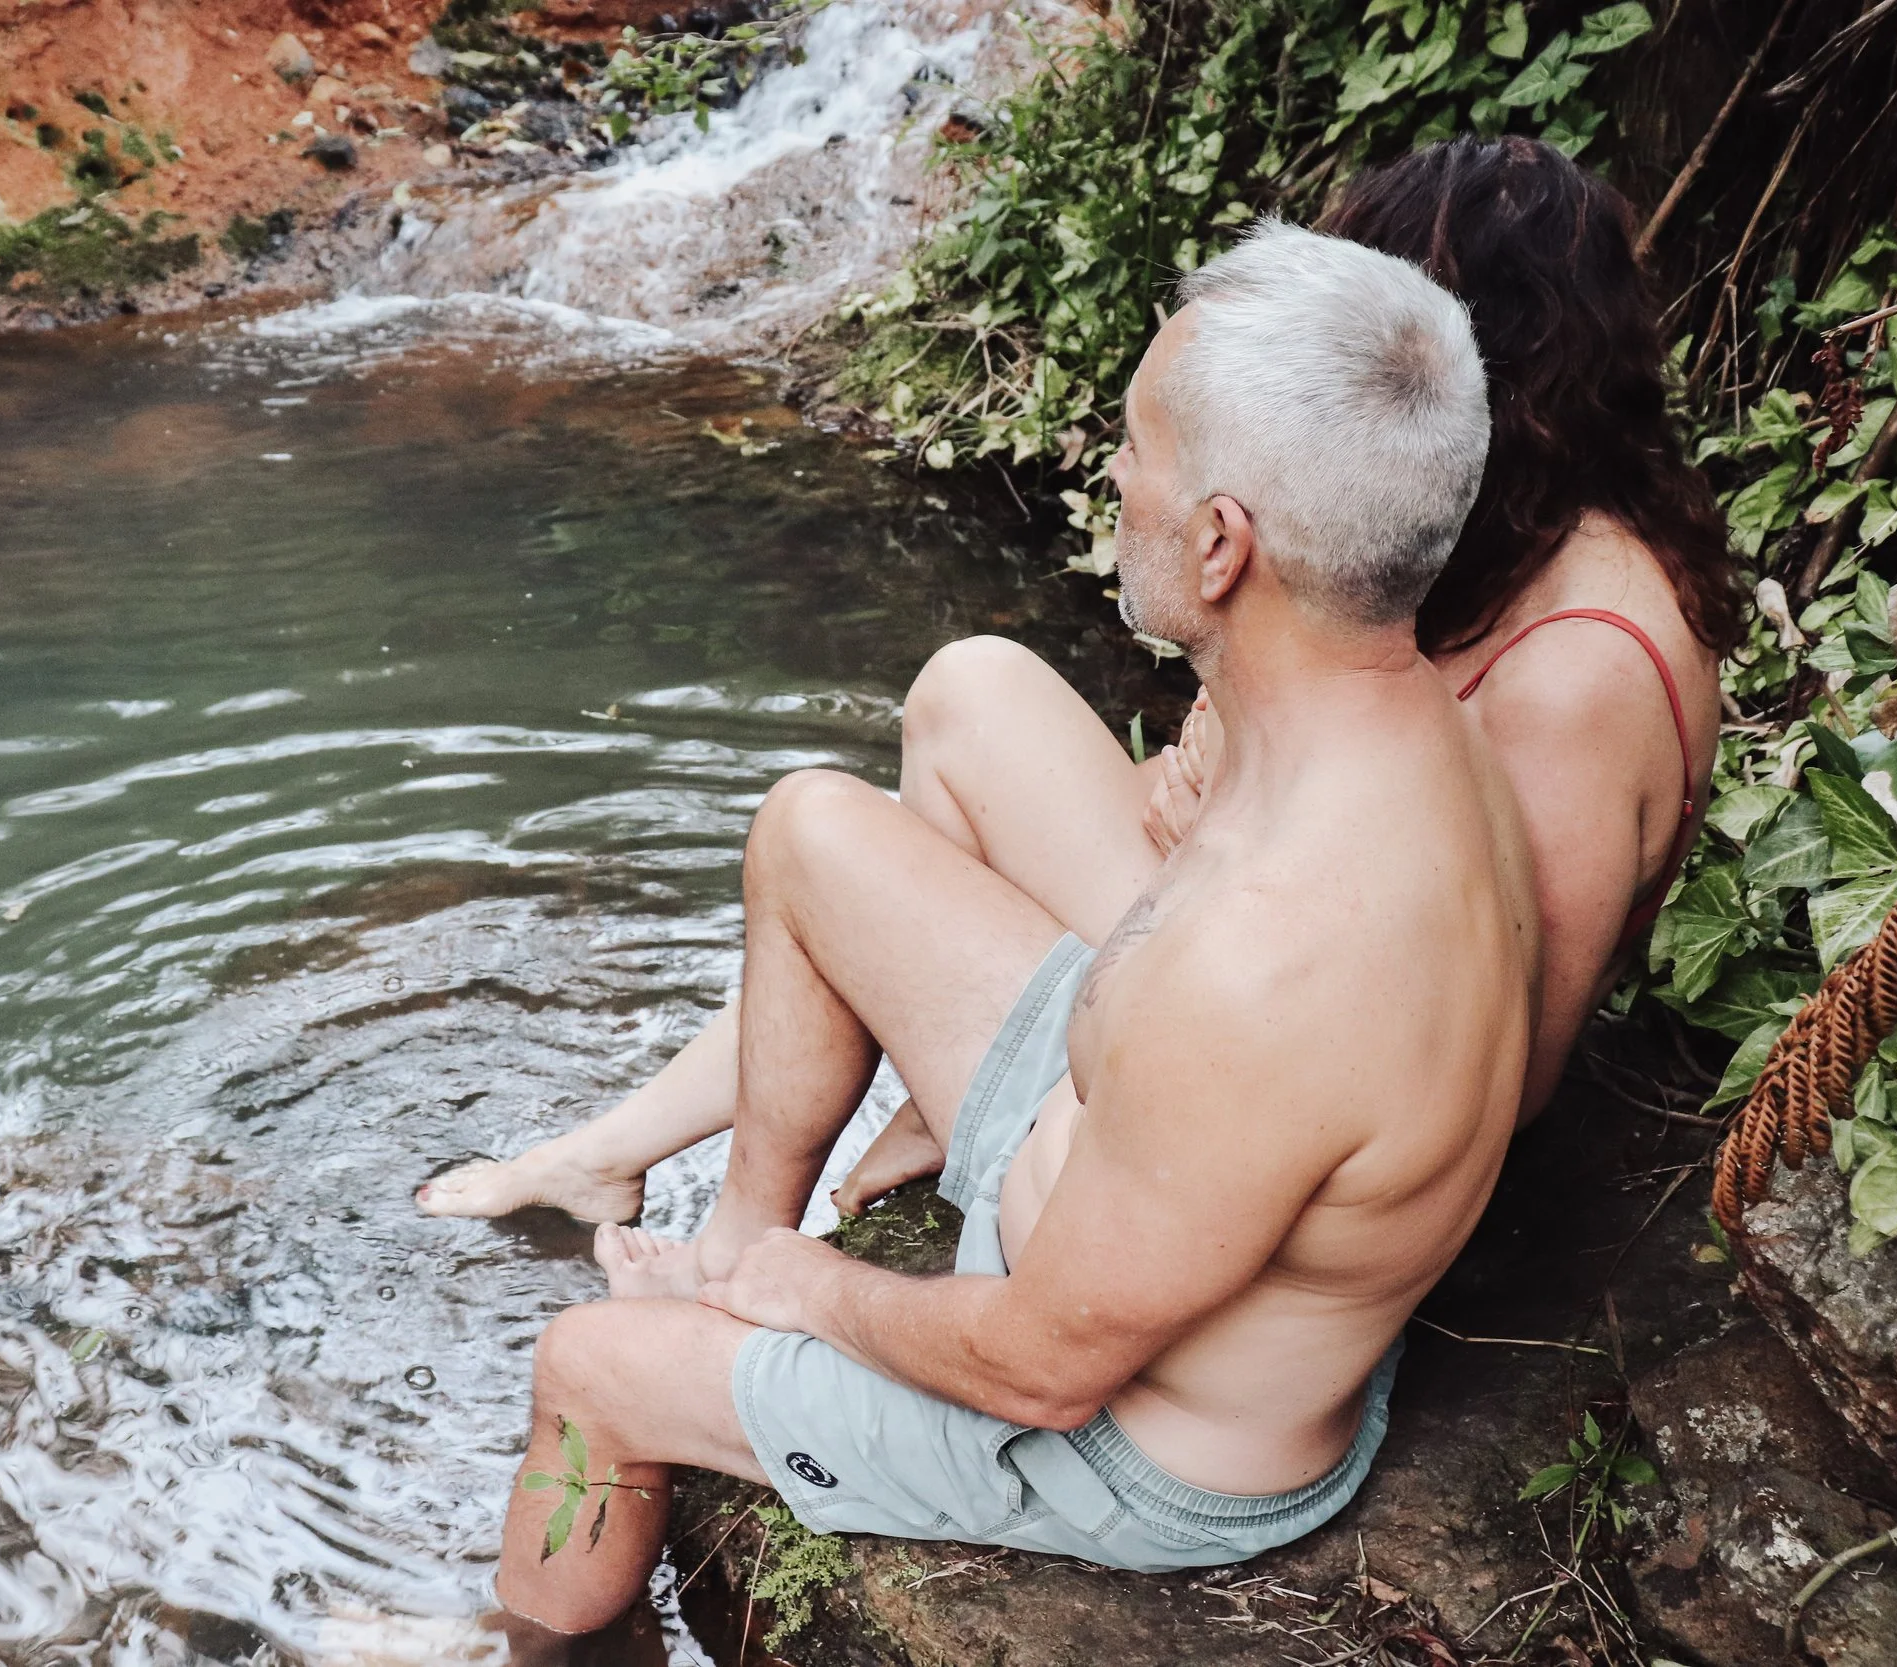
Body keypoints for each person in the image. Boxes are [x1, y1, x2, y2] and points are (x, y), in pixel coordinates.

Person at [489, 223, 1538, 1645]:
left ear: (1223, 543)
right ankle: (727, 1246)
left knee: (585, 1363)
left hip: (1132, 1443)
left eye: (1138, 445)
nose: (1114, 474)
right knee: (813, 828)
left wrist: (816, 1290)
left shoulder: (1275, 961)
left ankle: (536, 1634)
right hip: (1129, 1169)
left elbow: (1047, 1367)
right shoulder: (1411, 733)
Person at [416, 136, 1740, 1230]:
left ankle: (756, 1241)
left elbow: (1495, 1070)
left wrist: (1211, 849)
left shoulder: (1584, 670)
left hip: (1318, 1111)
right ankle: (626, 1142)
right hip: (1269, 943)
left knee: (829, 852)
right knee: (968, 690)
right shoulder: (1504, 534)